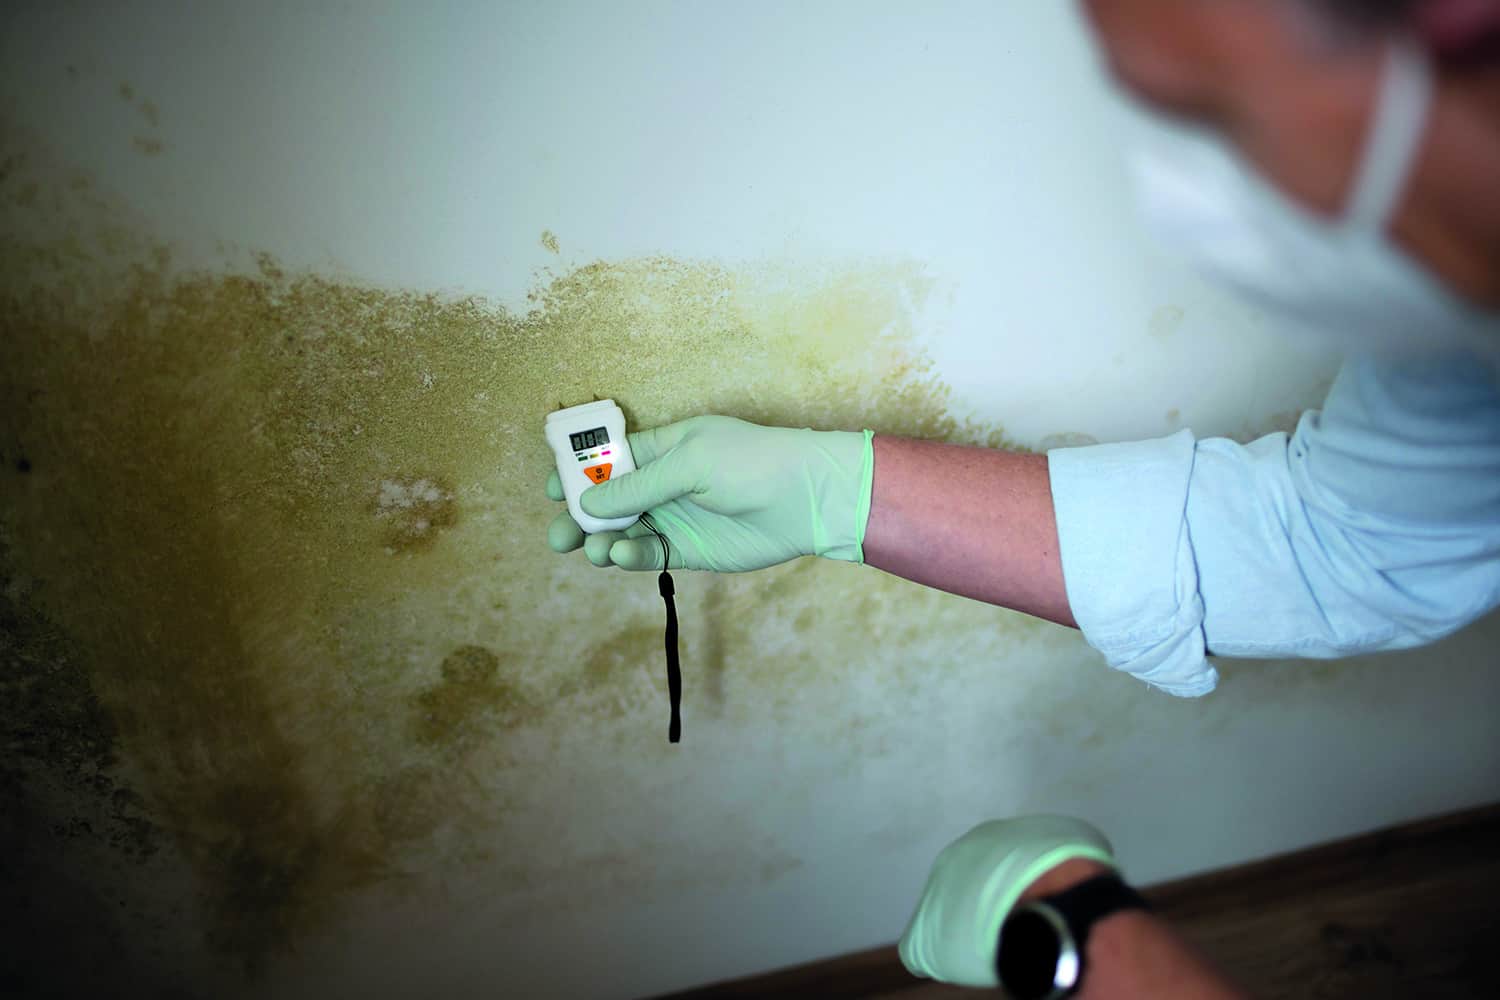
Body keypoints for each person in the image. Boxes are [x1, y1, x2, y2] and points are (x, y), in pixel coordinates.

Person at [547, 0, 1500, 993]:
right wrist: (839, 493)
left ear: (1460, 26)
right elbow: (1338, 541)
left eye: (1214, 108)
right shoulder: (1455, 339)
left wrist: (1085, 941)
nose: (1192, 193)